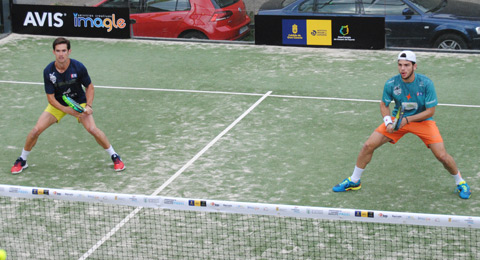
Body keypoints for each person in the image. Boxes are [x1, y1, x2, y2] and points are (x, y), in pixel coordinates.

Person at [332, 50, 471, 199]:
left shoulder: (426, 83)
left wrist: (407, 120)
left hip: (422, 121)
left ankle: (461, 182)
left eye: (406, 65)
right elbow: (384, 104)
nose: (402, 69)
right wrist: (388, 121)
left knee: (442, 156)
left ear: (414, 66)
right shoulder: (391, 83)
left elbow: (430, 111)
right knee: (368, 146)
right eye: (400, 65)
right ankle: (354, 180)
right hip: (398, 120)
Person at [11, 37, 125, 174]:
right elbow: (51, 99)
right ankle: (22, 160)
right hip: (59, 104)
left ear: (69, 51)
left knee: (92, 129)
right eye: (58, 51)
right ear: (53, 52)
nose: (61, 54)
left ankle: (115, 156)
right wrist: (67, 110)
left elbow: (89, 86)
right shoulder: (48, 71)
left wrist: (88, 105)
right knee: (35, 131)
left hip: (79, 101)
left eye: (64, 50)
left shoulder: (78, 67)